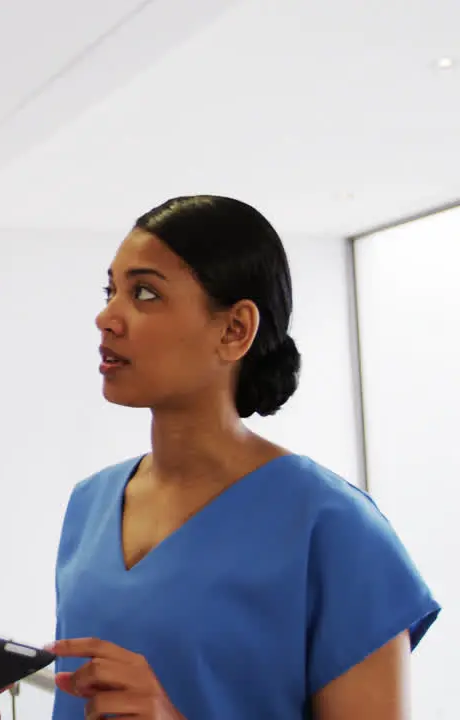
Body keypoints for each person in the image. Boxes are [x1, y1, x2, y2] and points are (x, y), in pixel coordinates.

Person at [44, 196, 438, 719]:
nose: (107, 316)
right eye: (110, 289)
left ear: (235, 330)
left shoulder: (335, 528)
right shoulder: (88, 506)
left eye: (144, 293)